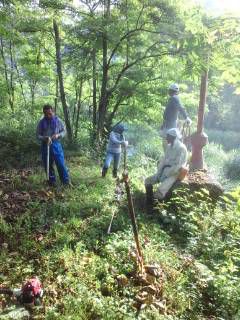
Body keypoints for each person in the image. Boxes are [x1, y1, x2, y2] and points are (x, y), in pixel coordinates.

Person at [145, 128, 188, 212]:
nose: (166, 138)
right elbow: (164, 160)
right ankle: (149, 201)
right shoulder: (169, 147)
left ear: (173, 137)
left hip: (174, 173)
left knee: (160, 191)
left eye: (168, 137)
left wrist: (166, 175)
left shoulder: (181, 148)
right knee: (148, 181)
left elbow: (178, 166)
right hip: (165, 170)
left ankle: (155, 210)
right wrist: (159, 172)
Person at [36, 104, 70, 186]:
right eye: (46, 114)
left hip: (56, 145)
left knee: (61, 164)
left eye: (50, 113)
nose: (48, 116)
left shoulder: (58, 121)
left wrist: (58, 135)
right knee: (48, 165)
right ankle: (52, 182)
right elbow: (38, 135)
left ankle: (65, 182)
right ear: (44, 113)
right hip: (45, 145)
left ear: (53, 112)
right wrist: (44, 138)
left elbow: (64, 131)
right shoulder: (41, 122)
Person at [161, 83, 192, 149]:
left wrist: (186, 117)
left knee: (167, 143)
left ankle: (169, 157)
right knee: (166, 143)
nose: (168, 91)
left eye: (169, 90)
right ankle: (168, 156)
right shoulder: (172, 99)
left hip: (170, 124)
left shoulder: (174, 98)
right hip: (168, 124)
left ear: (171, 91)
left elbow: (181, 108)